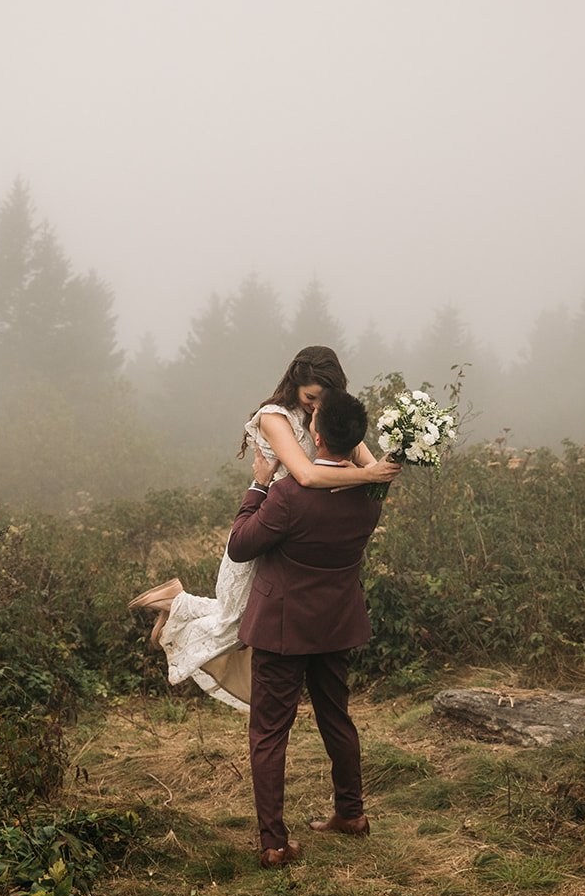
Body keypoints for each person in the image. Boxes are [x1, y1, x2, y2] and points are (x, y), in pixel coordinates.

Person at [129, 347, 399, 711]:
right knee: (235, 621)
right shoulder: (274, 417)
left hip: (297, 535)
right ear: (296, 384)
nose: (314, 408)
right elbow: (305, 474)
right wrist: (363, 474)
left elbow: (370, 467)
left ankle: (176, 603)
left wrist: (391, 458)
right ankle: (176, 604)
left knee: (237, 623)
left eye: (324, 401)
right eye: (310, 398)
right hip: (270, 525)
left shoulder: (325, 418)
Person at [226, 387, 382, 867]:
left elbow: (240, 545)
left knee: (270, 733)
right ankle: (351, 813)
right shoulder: (371, 491)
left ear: (314, 433)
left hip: (282, 628)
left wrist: (258, 485)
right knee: (337, 718)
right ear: (358, 440)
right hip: (336, 623)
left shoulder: (288, 493)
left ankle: (274, 842)